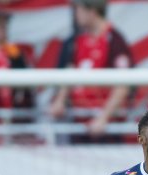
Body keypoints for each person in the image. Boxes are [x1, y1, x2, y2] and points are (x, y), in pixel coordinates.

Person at [49, 0, 132, 140]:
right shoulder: (76, 40)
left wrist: (103, 118)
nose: (75, 14)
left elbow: (123, 85)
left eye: (79, 9)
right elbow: (70, 71)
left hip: (107, 130)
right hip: (79, 124)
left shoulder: (114, 40)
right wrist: (60, 100)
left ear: (92, 11)